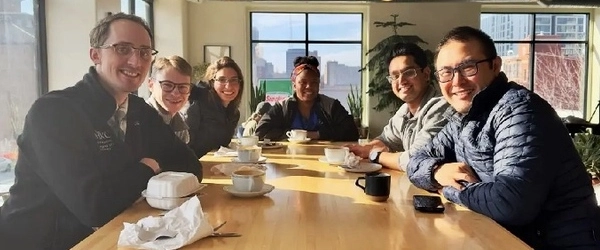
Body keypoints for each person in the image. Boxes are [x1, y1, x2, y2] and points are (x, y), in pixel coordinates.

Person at [0, 13, 202, 249]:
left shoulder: (139, 111)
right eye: (123, 49)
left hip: (111, 236)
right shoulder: (54, 112)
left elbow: (191, 166)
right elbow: (95, 207)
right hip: (38, 241)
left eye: (144, 52)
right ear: (95, 54)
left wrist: (149, 166)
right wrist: (147, 168)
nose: (136, 62)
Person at [408, 26, 600, 249]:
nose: (457, 81)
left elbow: (510, 202)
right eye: (446, 72)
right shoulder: (464, 118)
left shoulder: (520, 110)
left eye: (468, 67)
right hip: (502, 238)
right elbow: (416, 160)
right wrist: (437, 171)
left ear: (495, 65)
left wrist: (449, 190)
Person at [346, 43, 448, 171]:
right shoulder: (405, 110)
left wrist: (375, 155)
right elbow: (386, 140)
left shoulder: (441, 107)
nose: (401, 81)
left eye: (409, 73)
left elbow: (417, 160)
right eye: (395, 76)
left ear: (426, 74)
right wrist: (363, 149)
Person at [255, 56, 359, 141]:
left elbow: (352, 132)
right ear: (294, 85)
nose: (309, 86)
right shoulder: (283, 107)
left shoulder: (331, 106)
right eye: (303, 82)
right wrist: (292, 136)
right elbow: (260, 132)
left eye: (314, 82)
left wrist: (316, 134)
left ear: (319, 85)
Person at [187, 56, 243, 157]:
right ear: (212, 82)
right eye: (222, 80)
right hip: (191, 168)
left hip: (214, 166)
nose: (228, 86)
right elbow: (185, 145)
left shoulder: (234, 113)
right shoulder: (197, 103)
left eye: (233, 80)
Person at [146, 55, 193, 143]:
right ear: (151, 84)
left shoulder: (179, 125)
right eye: (167, 85)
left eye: (182, 87)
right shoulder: (140, 121)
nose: (176, 93)